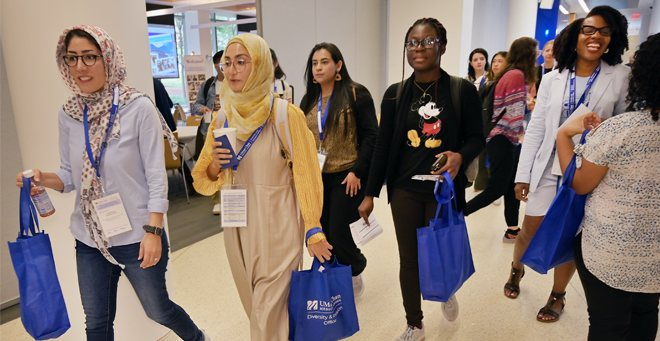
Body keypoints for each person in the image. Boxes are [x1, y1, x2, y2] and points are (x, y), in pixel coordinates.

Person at [14, 25, 209, 341]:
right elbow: (68, 176)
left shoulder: (138, 107)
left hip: (138, 235)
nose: (80, 67)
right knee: (97, 323)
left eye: (90, 57)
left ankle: (199, 338)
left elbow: (156, 177)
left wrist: (154, 230)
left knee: (158, 311)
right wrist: (42, 178)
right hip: (90, 237)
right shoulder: (70, 114)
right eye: (72, 58)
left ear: (108, 59)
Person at [191, 33, 331, 341]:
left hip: (278, 226)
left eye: (242, 62)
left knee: (267, 316)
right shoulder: (223, 115)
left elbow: (307, 176)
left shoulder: (284, 115)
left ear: (261, 66)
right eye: (227, 63)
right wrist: (215, 162)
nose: (232, 70)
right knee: (260, 312)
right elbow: (201, 181)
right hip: (236, 227)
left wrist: (313, 226)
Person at [358, 18, 484, 341]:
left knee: (439, 253)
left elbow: (477, 138)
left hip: (444, 191)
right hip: (405, 188)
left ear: (441, 46)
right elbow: (383, 147)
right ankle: (415, 322)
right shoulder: (395, 94)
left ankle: (445, 290)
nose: (419, 48)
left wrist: (459, 156)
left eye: (427, 42)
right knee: (410, 258)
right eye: (413, 42)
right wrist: (370, 193)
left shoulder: (462, 90)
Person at [507, 5, 630, 323]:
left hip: (589, 171)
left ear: (612, 39)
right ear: (575, 36)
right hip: (549, 166)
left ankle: (557, 295)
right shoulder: (554, 77)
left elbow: (624, 128)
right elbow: (535, 129)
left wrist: (601, 125)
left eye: (604, 31)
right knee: (530, 227)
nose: (596, 36)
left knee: (572, 235)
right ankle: (516, 268)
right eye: (588, 29)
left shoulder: (619, 76)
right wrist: (523, 174)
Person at [555, 32, 660, 340]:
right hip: (656, 260)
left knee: (607, 326)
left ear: (642, 76)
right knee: (646, 317)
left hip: (609, 254)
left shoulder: (621, 130)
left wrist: (564, 136)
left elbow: (580, 184)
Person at [300, 42, 378, 297]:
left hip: (348, 176)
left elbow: (371, 136)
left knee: (337, 231)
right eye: (314, 63)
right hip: (318, 178)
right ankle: (337, 277)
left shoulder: (356, 93)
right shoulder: (308, 100)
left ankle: (355, 269)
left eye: (324, 62)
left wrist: (357, 170)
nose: (318, 67)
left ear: (338, 65)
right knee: (322, 233)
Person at [464, 37, 539, 244]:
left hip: (504, 138)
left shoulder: (510, 73)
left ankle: (512, 229)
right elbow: (513, 113)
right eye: (536, 51)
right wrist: (520, 136)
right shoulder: (516, 75)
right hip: (504, 137)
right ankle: (455, 214)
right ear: (528, 53)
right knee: (496, 188)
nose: (538, 54)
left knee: (510, 186)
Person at [192, 50, 224, 214]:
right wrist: (203, 108)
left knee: (228, 163)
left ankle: (229, 198)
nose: (223, 66)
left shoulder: (235, 82)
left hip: (230, 127)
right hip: (210, 128)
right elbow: (196, 105)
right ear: (215, 65)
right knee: (213, 164)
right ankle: (217, 200)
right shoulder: (208, 84)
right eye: (220, 63)